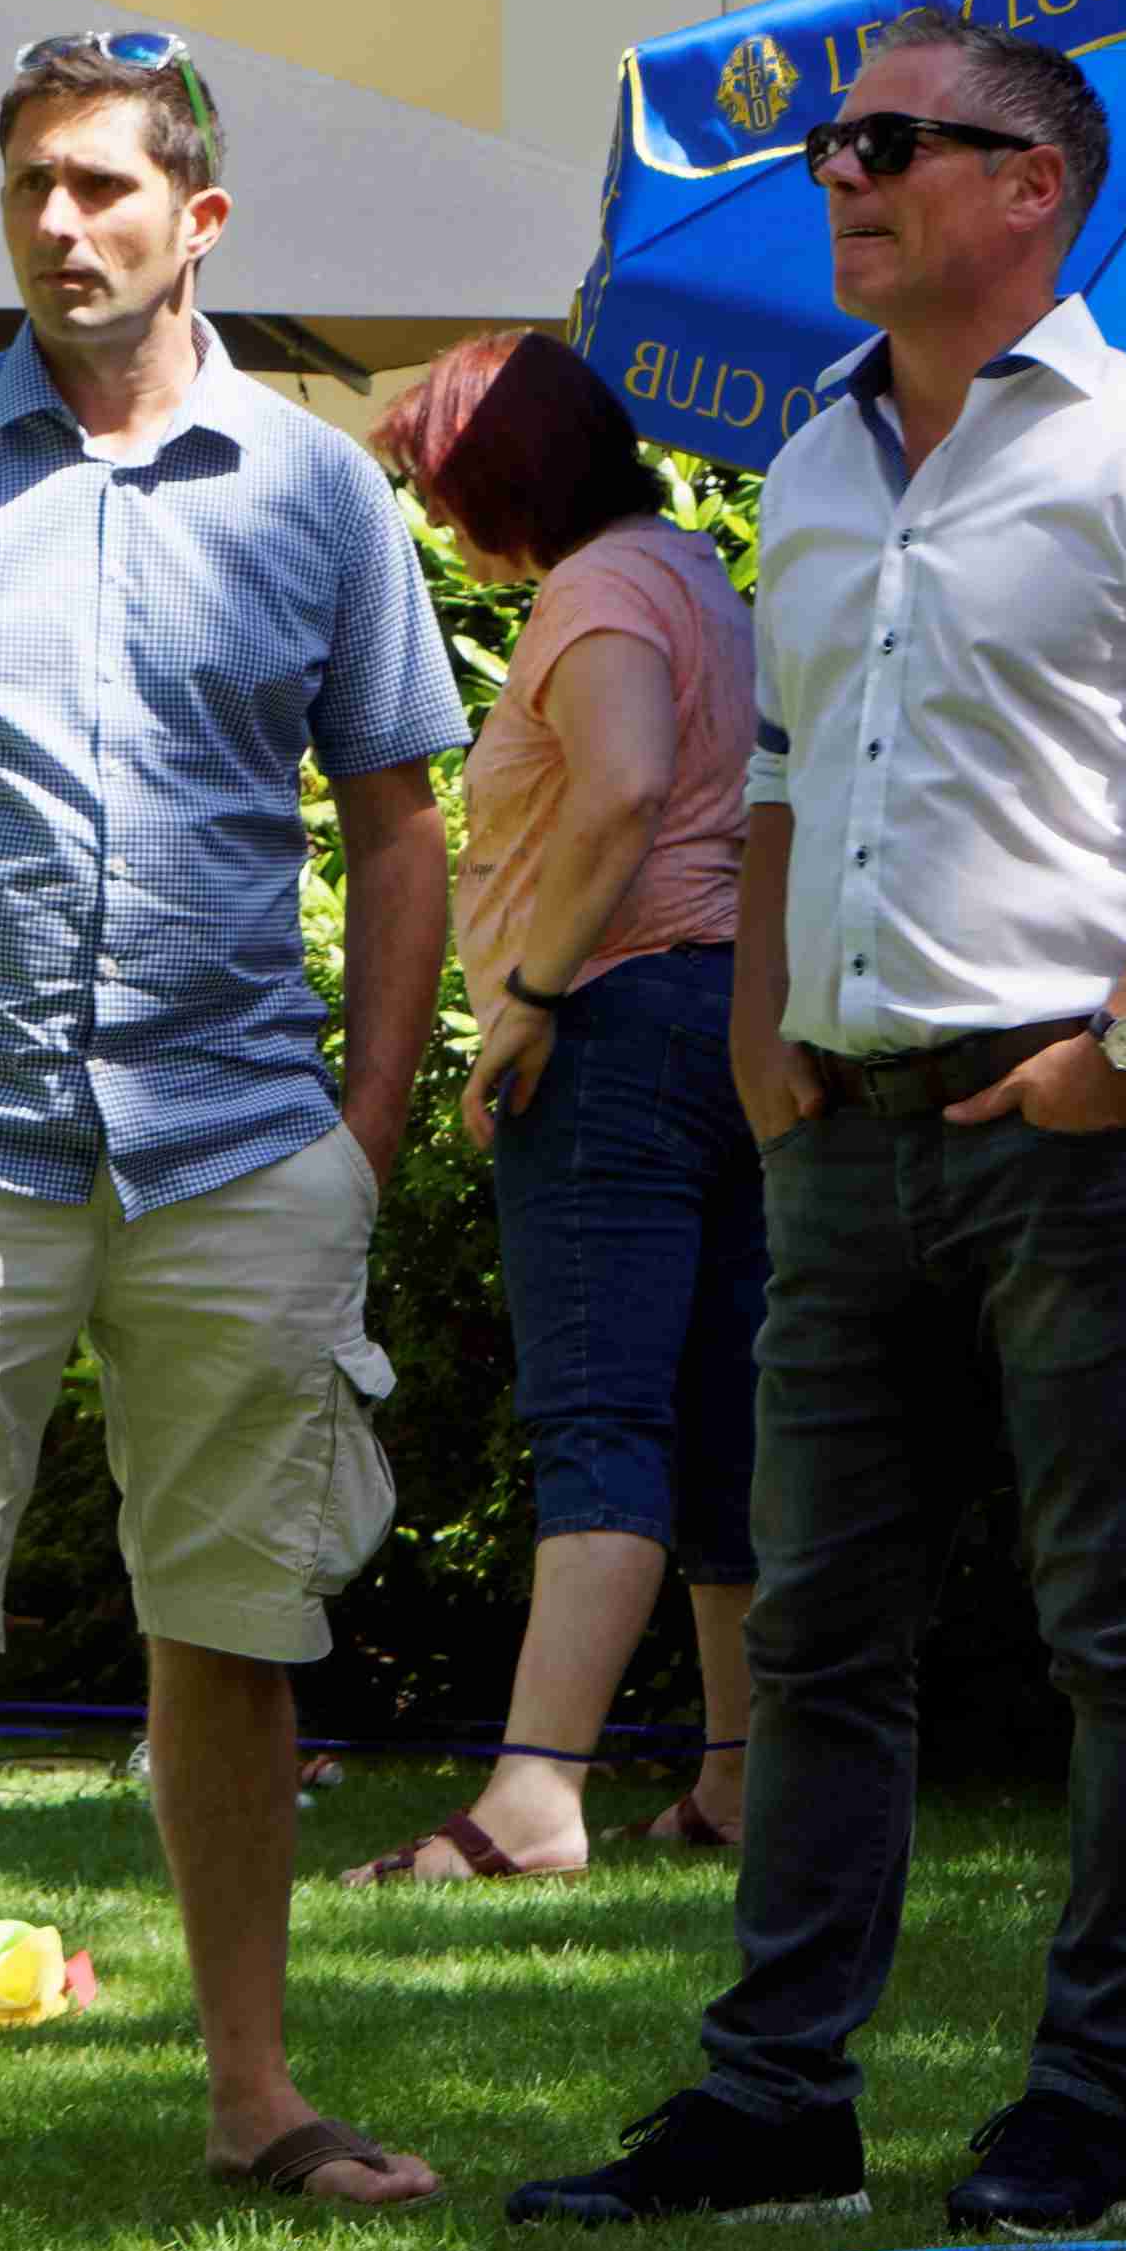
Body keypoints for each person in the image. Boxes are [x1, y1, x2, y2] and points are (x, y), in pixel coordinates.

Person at [508, 5, 1126, 2243]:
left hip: (1082, 1118)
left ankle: (1085, 2112)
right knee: (813, 1634)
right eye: (831, 142)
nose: (841, 174)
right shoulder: (811, 461)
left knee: (1121, 1626)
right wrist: (763, 1035)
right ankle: (777, 2095)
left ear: (1030, 187)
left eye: (890, 141)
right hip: (846, 1126)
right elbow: (786, 770)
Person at [0, 28, 467, 2251]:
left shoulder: (319, 494)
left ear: (197, 219)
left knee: (235, 1625)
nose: (60, 222)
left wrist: (364, 1128)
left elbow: (402, 816)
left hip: (240, 1142)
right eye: (31, 183)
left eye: (104, 185)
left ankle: (254, 2095)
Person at [352, 324, 765, 1886]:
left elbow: (626, 781)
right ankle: (739, 1784)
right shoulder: (691, 574)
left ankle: (533, 1800)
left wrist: (527, 996)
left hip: (614, 1030)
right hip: (728, 1016)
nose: (444, 526)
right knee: (722, 1416)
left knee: (599, 1414)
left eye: (448, 491)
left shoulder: (595, 592)